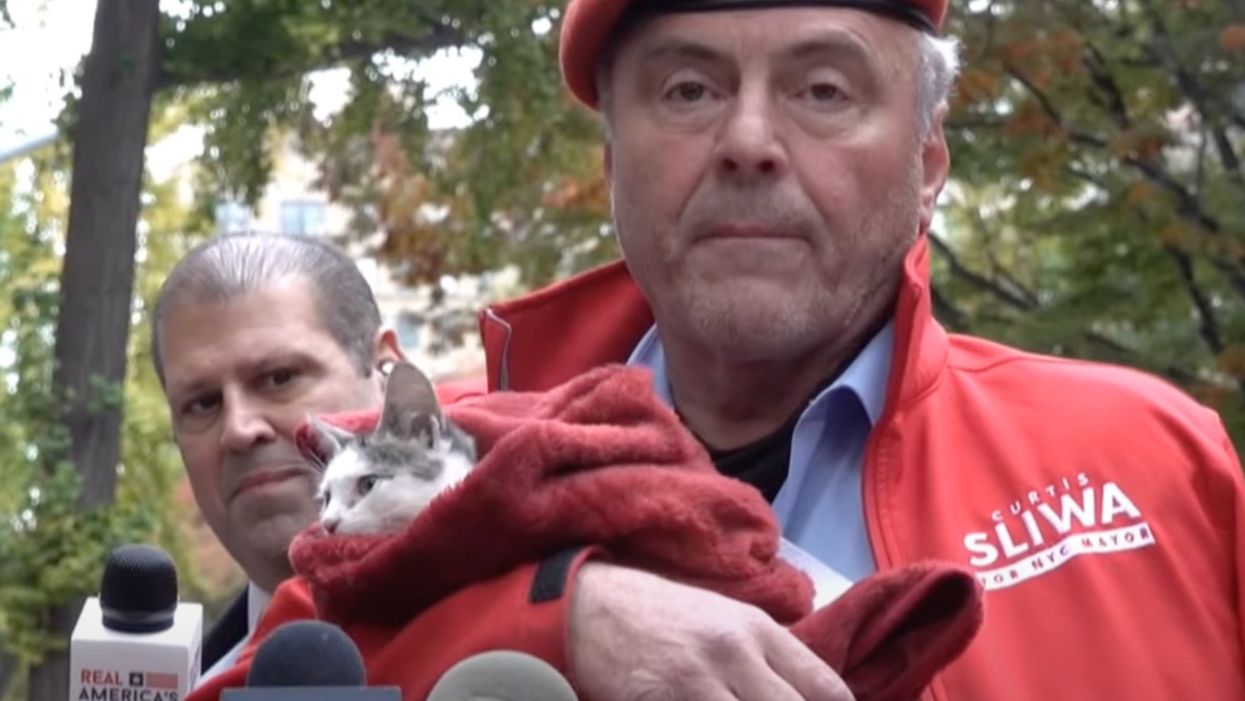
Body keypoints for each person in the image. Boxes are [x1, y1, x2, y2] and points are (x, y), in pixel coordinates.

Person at [466, 0, 1245, 698]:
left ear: (928, 165)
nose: (747, 141)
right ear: (610, 166)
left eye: (824, 91)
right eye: (687, 91)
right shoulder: (431, 484)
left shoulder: (1155, 462)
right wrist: (546, 614)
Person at [151, 232, 480, 680]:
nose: (239, 429)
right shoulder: (195, 681)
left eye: (279, 378)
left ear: (386, 371)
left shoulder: (566, 633)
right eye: (203, 403)